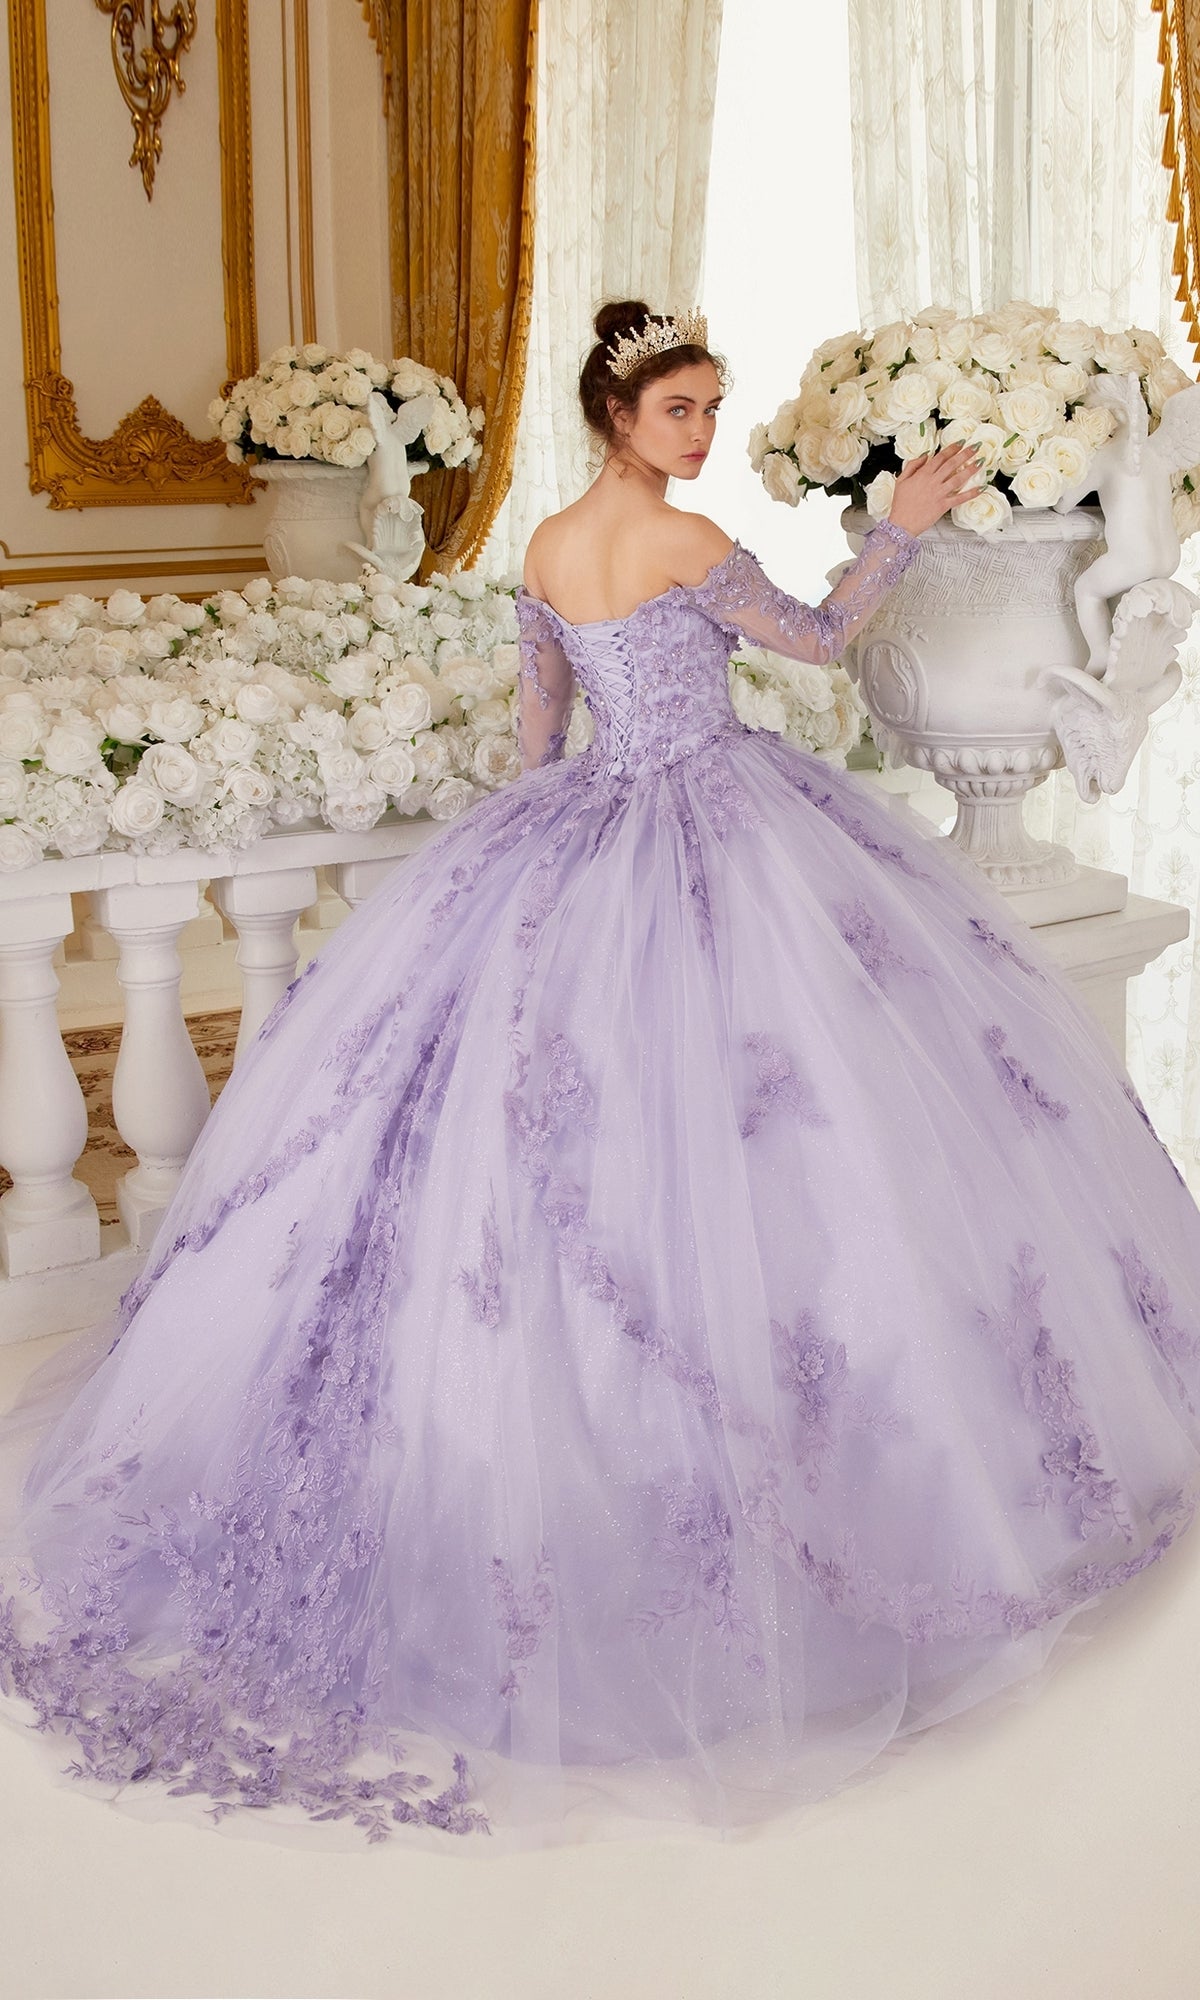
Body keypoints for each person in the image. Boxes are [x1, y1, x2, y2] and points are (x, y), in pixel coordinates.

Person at [0, 300, 1198, 1856]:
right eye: (682, 411)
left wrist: (525, 875)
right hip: (709, 824)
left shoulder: (550, 550)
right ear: (620, 418)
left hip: (579, 833)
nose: (701, 435)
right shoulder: (690, 550)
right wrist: (897, 529)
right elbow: (832, 650)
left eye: (712, 408)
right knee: (761, 1130)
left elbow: (538, 730)